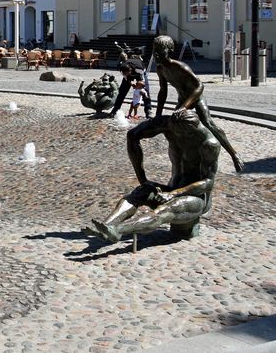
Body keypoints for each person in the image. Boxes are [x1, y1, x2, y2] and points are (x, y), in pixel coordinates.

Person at [87, 109, 219, 243]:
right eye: (171, 130)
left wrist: (173, 194)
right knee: (140, 192)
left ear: (190, 132)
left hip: (196, 198)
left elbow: (208, 182)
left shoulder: (208, 144)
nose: (173, 135)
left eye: (178, 133)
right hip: (170, 190)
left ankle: (118, 230)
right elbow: (133, 135)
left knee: (164, 210)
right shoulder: (169, 124)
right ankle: (105, 226)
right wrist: (143, 179)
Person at [152, 34, 244, 172]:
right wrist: (158, 114)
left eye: (160, 50)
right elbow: (162, 92)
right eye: (154, 50)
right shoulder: (160, 69)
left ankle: (234, 154)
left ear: (170, 51)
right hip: (182, 100)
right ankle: (183, 157)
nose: (156, 54)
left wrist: (184, 107)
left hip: (196, 97)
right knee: (173, 124)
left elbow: (199, 87)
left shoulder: (180, 67)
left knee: (208, 123)